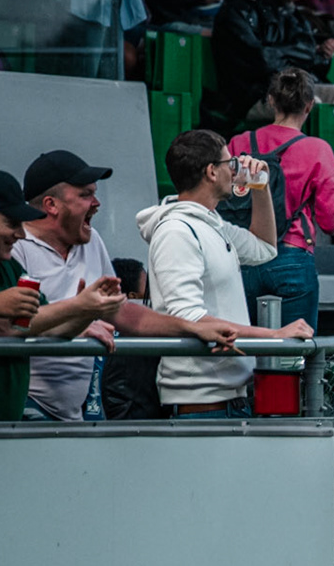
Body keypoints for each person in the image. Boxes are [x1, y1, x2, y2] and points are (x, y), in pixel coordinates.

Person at [13, 150, 239, 421]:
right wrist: (77, 314)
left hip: (76, 412)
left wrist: (193, 327)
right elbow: (13, 324)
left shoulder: (91, 241)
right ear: (51, 205)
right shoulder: (15, 246)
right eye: (85, 195)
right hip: (27, 405)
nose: (96, 203)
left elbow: (122, 312)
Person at [136, 130, 314, 417]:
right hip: (203, 406)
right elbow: (189, 317)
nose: (236, 170)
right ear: (211, 172)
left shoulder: (211, 224)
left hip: (227, 401)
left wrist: (260, 187)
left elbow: (264, 248)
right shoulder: (177, 232)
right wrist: (273, 335)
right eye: (230, 163)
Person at [0, 168, 123, 422]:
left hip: (4, 423)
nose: (20, 234)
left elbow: (47, 326)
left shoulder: (6, 264)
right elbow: (4, 328)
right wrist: (77, 305)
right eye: (12, 223)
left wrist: (87, 311)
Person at [220, 69, 334, 328]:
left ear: (271, 101)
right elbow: (330, 221)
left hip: (243, 256)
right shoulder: (318, 150)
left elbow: (221, 196)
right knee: (295, 346)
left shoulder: (239, 143)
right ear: (309, 105)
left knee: (241, 343)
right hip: (292, 256)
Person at [210, 0, 334, 125]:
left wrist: (286, 54)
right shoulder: (230, 15)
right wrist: (293, 54)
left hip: (281, 89)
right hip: (249, 98)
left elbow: (305, 51)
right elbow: (261, 60)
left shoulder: (269, 10)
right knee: (309, 104)